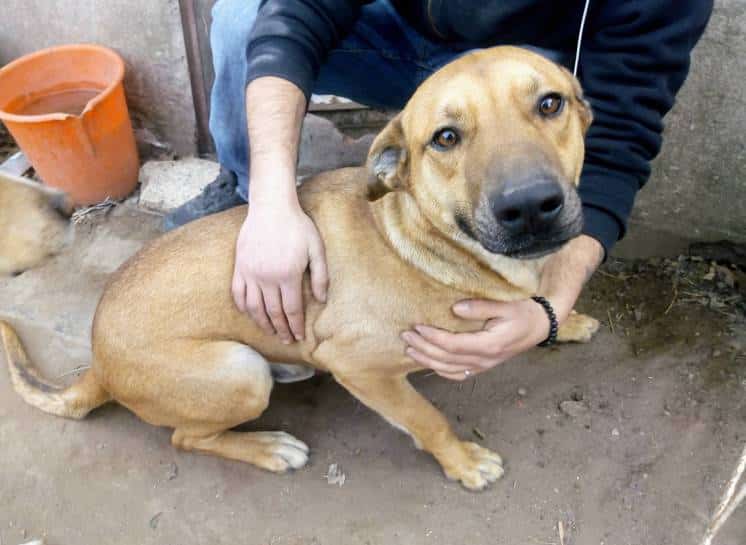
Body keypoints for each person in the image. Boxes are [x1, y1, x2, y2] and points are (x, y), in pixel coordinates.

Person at [165, 0, 712, 381]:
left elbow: (621, 131)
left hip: (536, 56)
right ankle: (243, 191)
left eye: (550, 108)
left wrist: (551, 306)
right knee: (242, 18)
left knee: (527, 127)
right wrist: (272, 202)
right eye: (446, 138)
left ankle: (513, 119)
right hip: (394, 35)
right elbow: (297, 16)